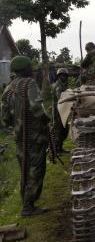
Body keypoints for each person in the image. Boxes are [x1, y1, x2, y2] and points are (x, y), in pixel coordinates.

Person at [1, 56, 49, 216]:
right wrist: (45, 119)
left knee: (24, 167)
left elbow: (5, 117)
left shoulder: (8, 88)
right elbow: (37, 108)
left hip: (19, 136)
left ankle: (26, 203)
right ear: (27, 69)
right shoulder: (30, 83)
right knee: (36, 168)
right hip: (34, 135)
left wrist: (15, 126)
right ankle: (28, 206)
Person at [51, 68, 69, 153]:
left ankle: (60, 148)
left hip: (63, 110)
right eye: (62, 75)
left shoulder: (64, 85)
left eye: (65, 75)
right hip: (58, 111)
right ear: (59, 76)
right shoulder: (58, 86)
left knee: (64, 130)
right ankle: (55, 150)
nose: (63, 77)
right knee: (57, 130)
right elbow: (60, 98)